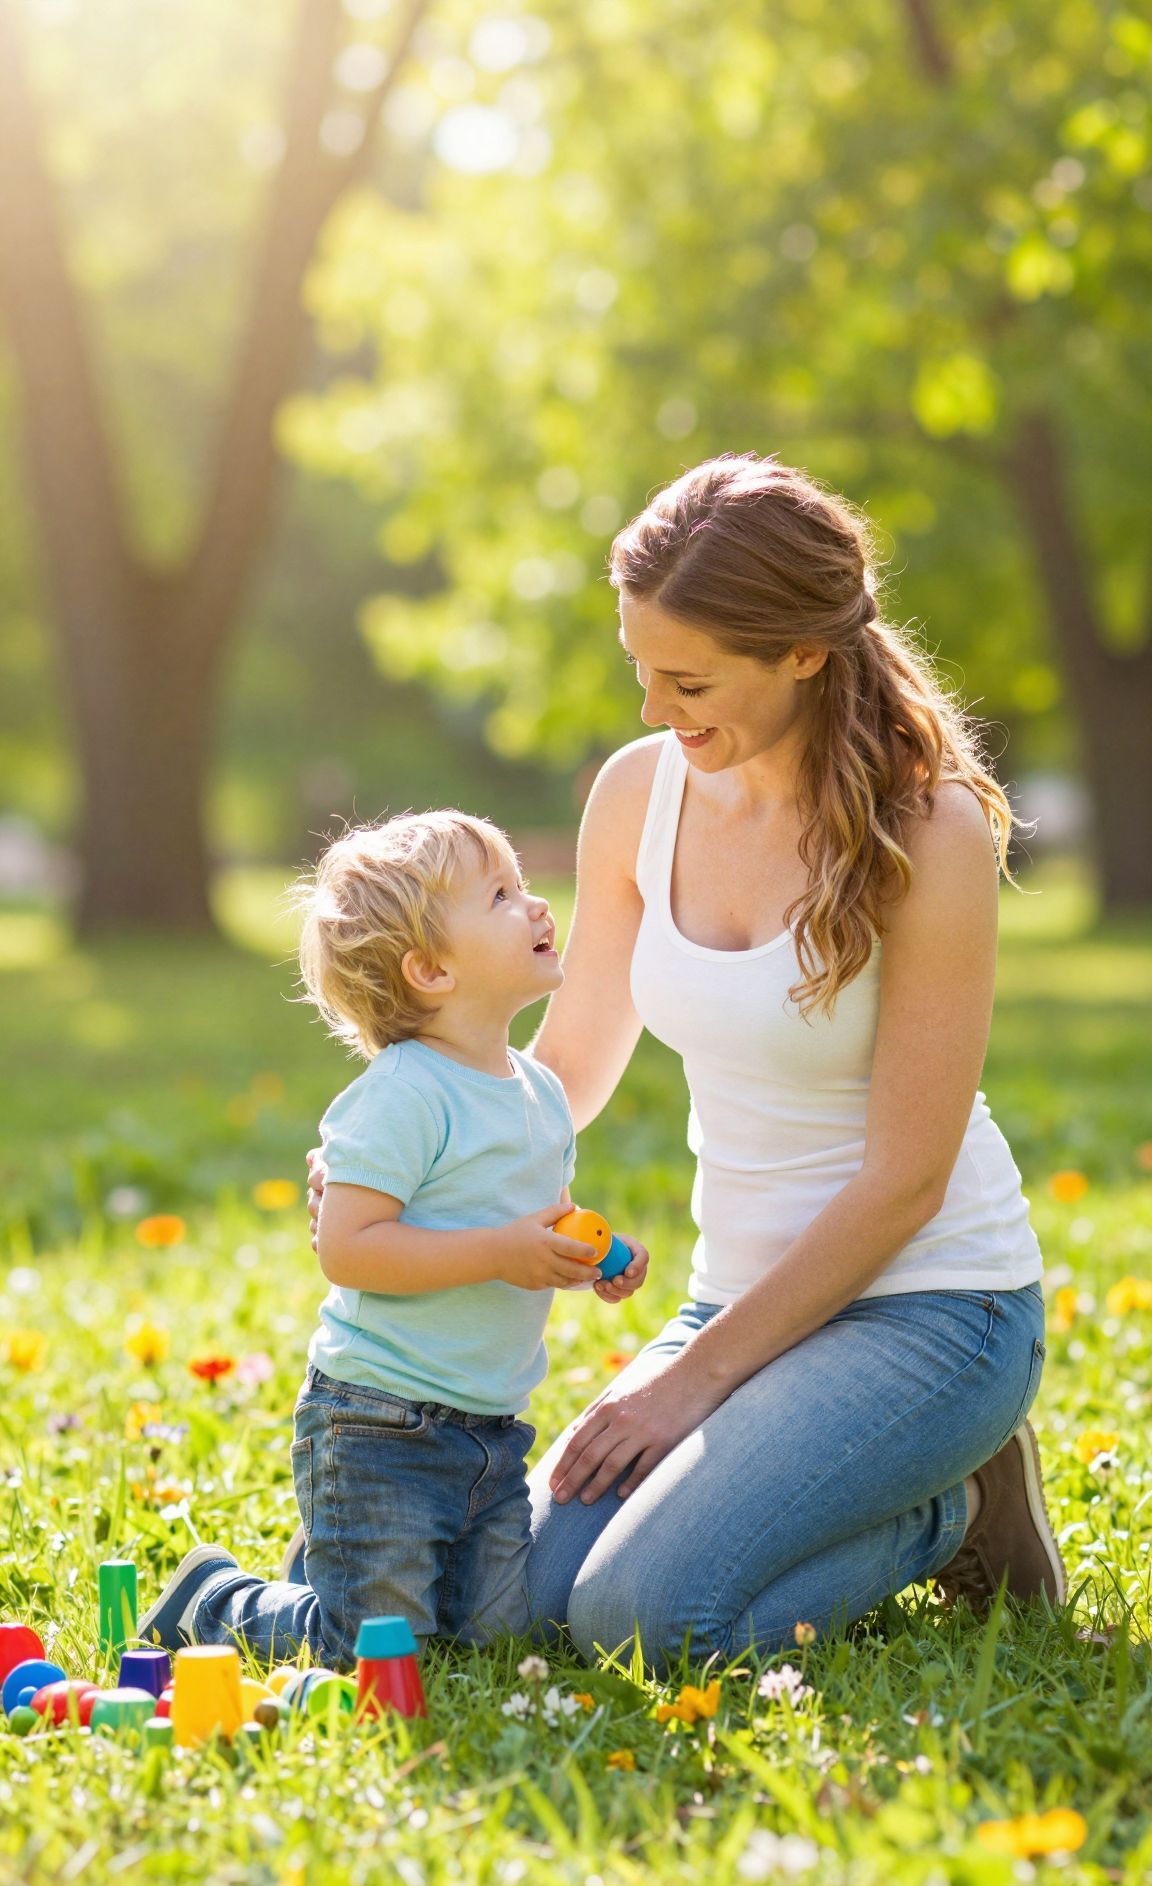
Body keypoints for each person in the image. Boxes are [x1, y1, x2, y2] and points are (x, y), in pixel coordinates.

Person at [511, 453, 1063, 1672]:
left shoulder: (929, 829)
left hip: (933, 1308)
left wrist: (688, 1385)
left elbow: (906, 1180)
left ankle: (953, 1507)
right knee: (520, 1598)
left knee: (641, 1623)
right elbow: (574, 1055)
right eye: (640, 668)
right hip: (742, 1297)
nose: (656, 708)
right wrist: (422, 1145)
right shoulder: (637, 795)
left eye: (690, 678)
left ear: (803, 651)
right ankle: (865, 1486)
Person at [139, 810, 648, 1668]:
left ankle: (331, 1567)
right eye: (500, 895)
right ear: (431, 969)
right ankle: (218, 1602)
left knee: (491, 1639)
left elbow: (542, 1219)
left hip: (490, 1427)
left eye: (522, 885)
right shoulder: (406, 1093)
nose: (534, 906)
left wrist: (589, 1255)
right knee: (374, 1649)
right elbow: (349, 1248)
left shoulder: (538, 1093)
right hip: (380, 1422)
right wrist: (498, 1252)